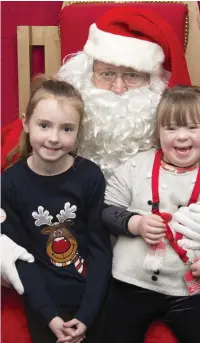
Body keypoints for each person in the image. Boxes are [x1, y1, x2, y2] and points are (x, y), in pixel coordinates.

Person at [1, 6, 200, 343]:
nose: (119, 89)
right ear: (85, 74)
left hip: (165, 277)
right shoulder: (45, 122)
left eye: (132, 75)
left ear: (154, 83)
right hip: (64, 272)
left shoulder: (190, 128)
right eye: (107, 73)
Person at [99, 85, 200, 343]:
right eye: (171, 128)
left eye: (192, 127)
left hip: (186, 289)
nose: (181, 137)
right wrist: (135, 223)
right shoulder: (136, 167)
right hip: (130, 284)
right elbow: (106, 210)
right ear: (158, 132)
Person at [1, 76, 112, 343]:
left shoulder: (89, 176)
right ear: (26, 122)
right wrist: (50, 316)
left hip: (91, 300)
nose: (53, 138)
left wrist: (87, 315)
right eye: (44, 125)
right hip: (42, 302)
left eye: (66, 129)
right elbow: (19, 256)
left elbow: (100, 249)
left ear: (77, 132)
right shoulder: (10, 182)